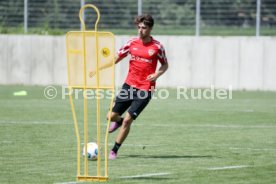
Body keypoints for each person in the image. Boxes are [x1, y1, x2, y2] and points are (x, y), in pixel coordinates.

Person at [107, 14, 169, 160]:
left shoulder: (157, 47)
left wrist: (156, 74)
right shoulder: (131, 43)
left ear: (150, 29)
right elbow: (116, 57)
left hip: (146, 89)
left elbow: (165, 64)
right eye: (139, 27)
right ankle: (119, 121)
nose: (140, 30)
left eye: (144, 28)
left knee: (129, 120)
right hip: (129, 86)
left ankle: (114, 150)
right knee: (110, 116)